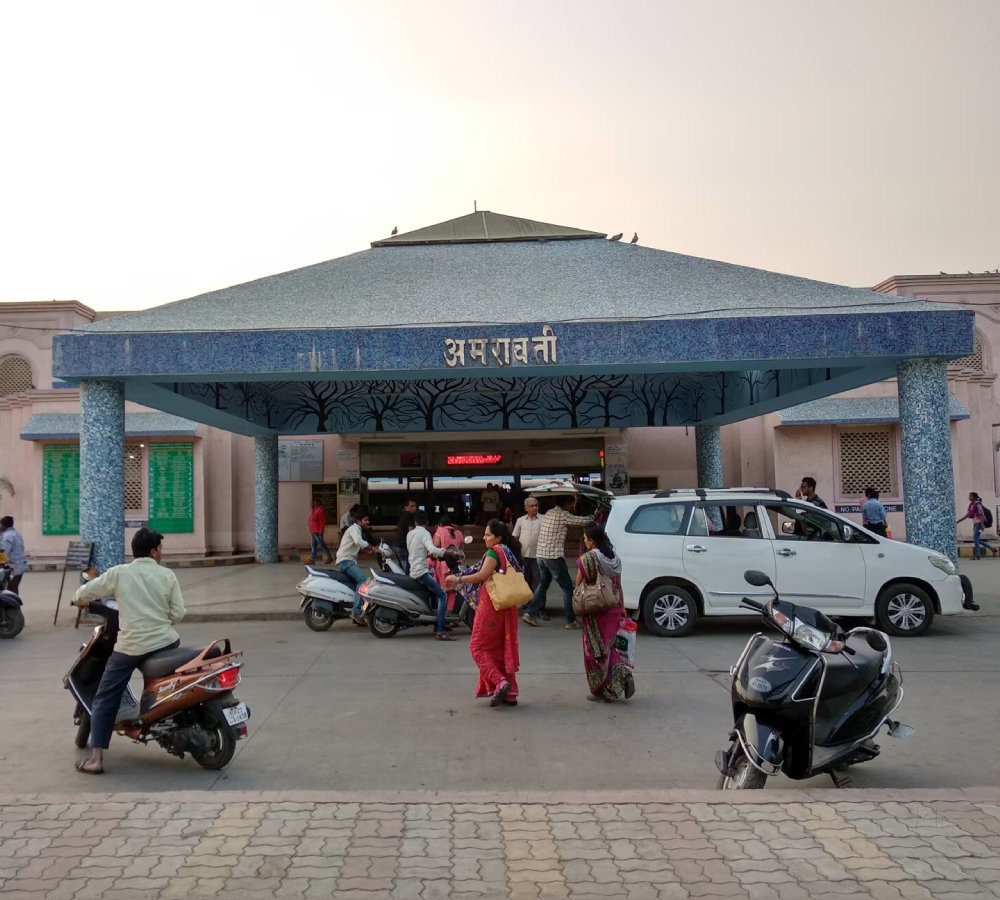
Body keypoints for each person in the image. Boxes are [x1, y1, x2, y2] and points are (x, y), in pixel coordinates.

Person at [71, 527, 185, 774]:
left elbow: (84, 593)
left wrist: (79, 599)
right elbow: (178, 613)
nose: (161, 553)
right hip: (167, 642)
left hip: (131, 646)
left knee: (104, 696)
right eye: (161, 549)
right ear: (154, 551)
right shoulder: (167, 575)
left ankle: (96, 759)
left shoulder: (119, 573)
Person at [446, 520, 520, 707]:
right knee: (500, 647)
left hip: (491, 605)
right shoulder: (508, 552)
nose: (484, 538)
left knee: (477, 646)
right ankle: (510, 692)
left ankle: (500, 682)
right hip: (507, 606)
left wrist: (457, 578)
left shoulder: (494, 552)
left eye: (488, 535)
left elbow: (481, 576)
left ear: (498, 538)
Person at [576, 523, 635, 703]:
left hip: (596, 609)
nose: (584, 542)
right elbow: (618, 584)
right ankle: (623, 675)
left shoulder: (588, 559)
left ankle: (601, 689)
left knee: (595, 650)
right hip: (614, 606)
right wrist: (622, 607)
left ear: (592, 541)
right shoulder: (614, 558)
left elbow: (578, 582)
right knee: (609, 647)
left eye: (585, 539)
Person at [523, 495, 593, 629]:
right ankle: (571, 620)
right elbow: (583, 521)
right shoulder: (563, 515)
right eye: (572, 504)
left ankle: (530, 613)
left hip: (541, 555)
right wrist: (596, 515)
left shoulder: (549, 512)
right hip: (553, 556)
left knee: (543, 584)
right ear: (566, 505)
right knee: (567, 588)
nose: (573, 507)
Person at [408, 511, 457, 641]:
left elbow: (418, 551)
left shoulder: (410, 534)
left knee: (436, 593)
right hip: (421, 572)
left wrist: (430, 555)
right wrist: (448, 552)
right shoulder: (425, 533)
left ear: (415, 522)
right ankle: (441, 629)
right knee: (443, 595)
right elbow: (433, 549)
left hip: (413, 569)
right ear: (426, 522)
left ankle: (437, 622)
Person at [339, 507, 384, 624]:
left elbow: (357, 545)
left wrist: (370, 551)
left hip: (347, 560)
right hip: (346, 560)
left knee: (357, 583)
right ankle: (356, 611)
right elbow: (359, 541)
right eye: (365, 520)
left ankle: (356, 609)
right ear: (359, 521)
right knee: (363, 580)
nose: (367, 522)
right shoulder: (355, 529)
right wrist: (373, 548)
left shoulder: (356, 529)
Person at [512, 498, 543, 611]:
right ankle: (530, 602)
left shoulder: (543, 519)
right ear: (526, 508)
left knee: (539, 582)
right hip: (523, 555)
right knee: (526, 581)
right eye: (531, 506)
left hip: (538, 556)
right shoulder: (520, 521)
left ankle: (540, 607)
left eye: (536, 505)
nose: (534, 508)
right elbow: (515, 536)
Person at [433, 514, 465, 614]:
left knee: (442, 592)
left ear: (441, 524)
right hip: (456, 565)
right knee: (453, 590)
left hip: (443, 564)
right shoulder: (459, 532)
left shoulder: (440, 530)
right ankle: (451, 613)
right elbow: (462, 549)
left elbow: (436, 546)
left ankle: (442, 615)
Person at [957, 491, 996, 559]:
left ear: (974, 497)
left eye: (970, 496)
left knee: (976, 539)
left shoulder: (978, 504)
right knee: (976, 539)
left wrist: (982, 525)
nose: (969, 497)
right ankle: (992, 549)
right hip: (975, 524)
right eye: (969, 496)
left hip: (979, 524)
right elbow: (968, 515)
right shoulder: (971, 505)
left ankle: (977, 555)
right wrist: (958, 521)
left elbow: (981, 515)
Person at [0, 516, 27, 595]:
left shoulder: (7, 537)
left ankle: (13, 607)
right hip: (19, 567)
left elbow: (3, 553)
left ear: (4, 525)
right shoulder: (16, 534)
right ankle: (15, 607)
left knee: (10, 592)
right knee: (13, 590)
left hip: (12, 568)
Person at [394, 498, 418, 573]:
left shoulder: (403, 515)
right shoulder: (409, 516)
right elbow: (411, 531)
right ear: (406, 507)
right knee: (406, 570)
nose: (414, 508)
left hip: (397, 545)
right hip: (403, 546)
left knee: (400, 570)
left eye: (415, 506)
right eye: (412, 506)